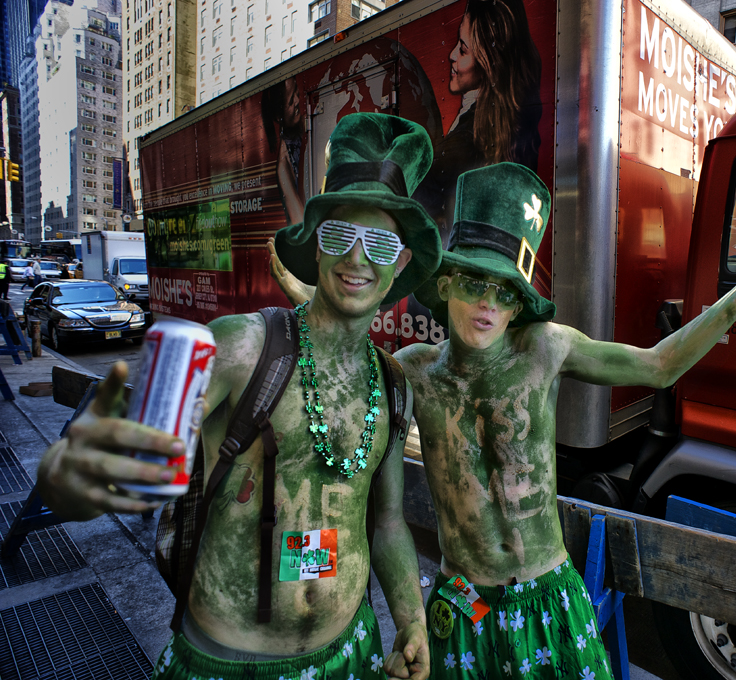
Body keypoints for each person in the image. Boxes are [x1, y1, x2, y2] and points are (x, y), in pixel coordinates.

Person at [268, 162, 736, 678]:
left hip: (551, 600)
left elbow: (660, 366)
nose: (487, 304)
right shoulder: (413, 372)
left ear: (518, 305)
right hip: (463, 608)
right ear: (443, 287)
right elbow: (342, 371)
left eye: (503, 291)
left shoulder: (546, 349)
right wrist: (318, 301)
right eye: (471, 284)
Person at [36, 113, 445, 680]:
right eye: (338, 235)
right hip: (226, 663)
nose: (357, 258)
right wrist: (73, 473)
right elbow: (124, 454)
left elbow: (390, 523)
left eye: (378, 240)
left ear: (400, 260)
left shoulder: (393, 385)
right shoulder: (243, 345)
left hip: (350, 653)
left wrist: (411, 620)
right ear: (316, 245)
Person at [413, 0, 542, 242]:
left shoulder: (468, 138)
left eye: (462, 50)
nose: (451, 55)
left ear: (488, 63)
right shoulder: (506, 126)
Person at [262, 77, 308, 226]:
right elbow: (300, 222)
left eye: (296, 93)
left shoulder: (308, 123)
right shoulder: (284, 163)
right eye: (290, 102)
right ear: (278, 116)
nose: (297, 101)